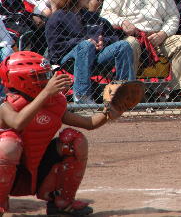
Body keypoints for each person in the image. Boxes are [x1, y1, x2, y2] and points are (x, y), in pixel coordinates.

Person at [0, 51, 124, 215]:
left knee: (75, 141)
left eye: (46, 75)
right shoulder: (6, 106)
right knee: (9, 143)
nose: (46, 80)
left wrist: (110, 112)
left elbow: (89, 123)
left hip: (35, 167)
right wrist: (46, 93)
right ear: (20, 80)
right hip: (7, 167)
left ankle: (62, 202)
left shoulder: (53, 104)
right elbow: (18, 122)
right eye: (39, 76)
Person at [45, 0, 136, 105]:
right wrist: (83, 42)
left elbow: (113, 36)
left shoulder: (92, 16)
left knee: (124, 45)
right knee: (86, 45)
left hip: (97, 56)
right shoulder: (57, 17)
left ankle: (123, 94)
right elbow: (55, 47)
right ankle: (82, 96)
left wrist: (103, 42)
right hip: (70, 60)